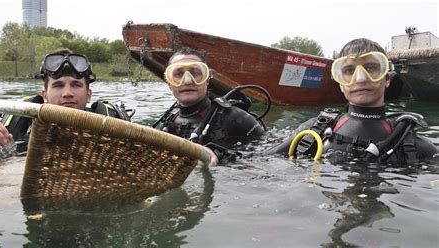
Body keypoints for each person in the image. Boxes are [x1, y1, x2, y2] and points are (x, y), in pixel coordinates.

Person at [265, 38, 438, 164]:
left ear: (387, 79)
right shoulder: (314, 131)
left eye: (371, 68)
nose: (361, 78)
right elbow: (262, 162)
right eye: (349, 70)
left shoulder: (411, 145)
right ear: (340, 83)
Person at [0, 48, 132, 153]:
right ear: (44, 95)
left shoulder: (111, 125)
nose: (67, 93)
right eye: (58, 85)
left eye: (76, 85)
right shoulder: (19, 125)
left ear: (89, 94)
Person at [154, 47, 266, 164]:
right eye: (178, 74)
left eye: (195, 73)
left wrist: (219, 155)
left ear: (207, 80)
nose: (187, 81)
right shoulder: (165, 123)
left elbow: (269, 157)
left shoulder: (236, 118)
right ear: (169, 84)